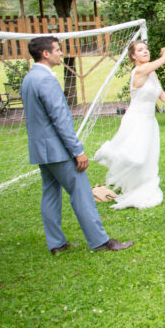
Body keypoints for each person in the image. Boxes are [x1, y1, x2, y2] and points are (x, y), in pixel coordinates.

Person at [20, 36, 133, 254]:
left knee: (50, 194)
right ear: (46, 54)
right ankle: (100, 241)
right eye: (57, 49)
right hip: (58, 151)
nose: (61, 53)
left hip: (41, 150)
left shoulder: (29, 78)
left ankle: (56, 244)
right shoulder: (46, 80)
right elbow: (60, 119)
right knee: (81, 192)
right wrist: (77, 151)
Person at [95, 41, 165, 210]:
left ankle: (141, 188)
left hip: (150, 121)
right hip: (136, 119)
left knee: (148, 158)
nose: (145, 52)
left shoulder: (150, 72)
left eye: (146, 49)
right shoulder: (139, 70)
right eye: (140, 50)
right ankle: (109, 153)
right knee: (137, 158)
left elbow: (158, 91)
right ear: (133, 56)